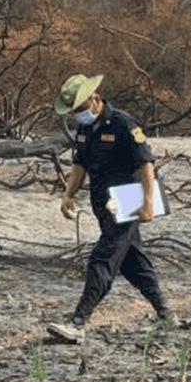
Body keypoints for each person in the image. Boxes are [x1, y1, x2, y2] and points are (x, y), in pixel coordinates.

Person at [47, 74, 172, 343]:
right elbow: (80, 164)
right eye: (74, 112)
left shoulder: (123, 123)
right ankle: (166, 314)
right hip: (103, 205)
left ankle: (78, 322)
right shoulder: (84, 129)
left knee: (102, 258)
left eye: (80, 109)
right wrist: (69, 194)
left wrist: (148, 203)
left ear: (94, 100)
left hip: (127, 201)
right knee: (132, 262)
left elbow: (146, 164)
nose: (78, 115)